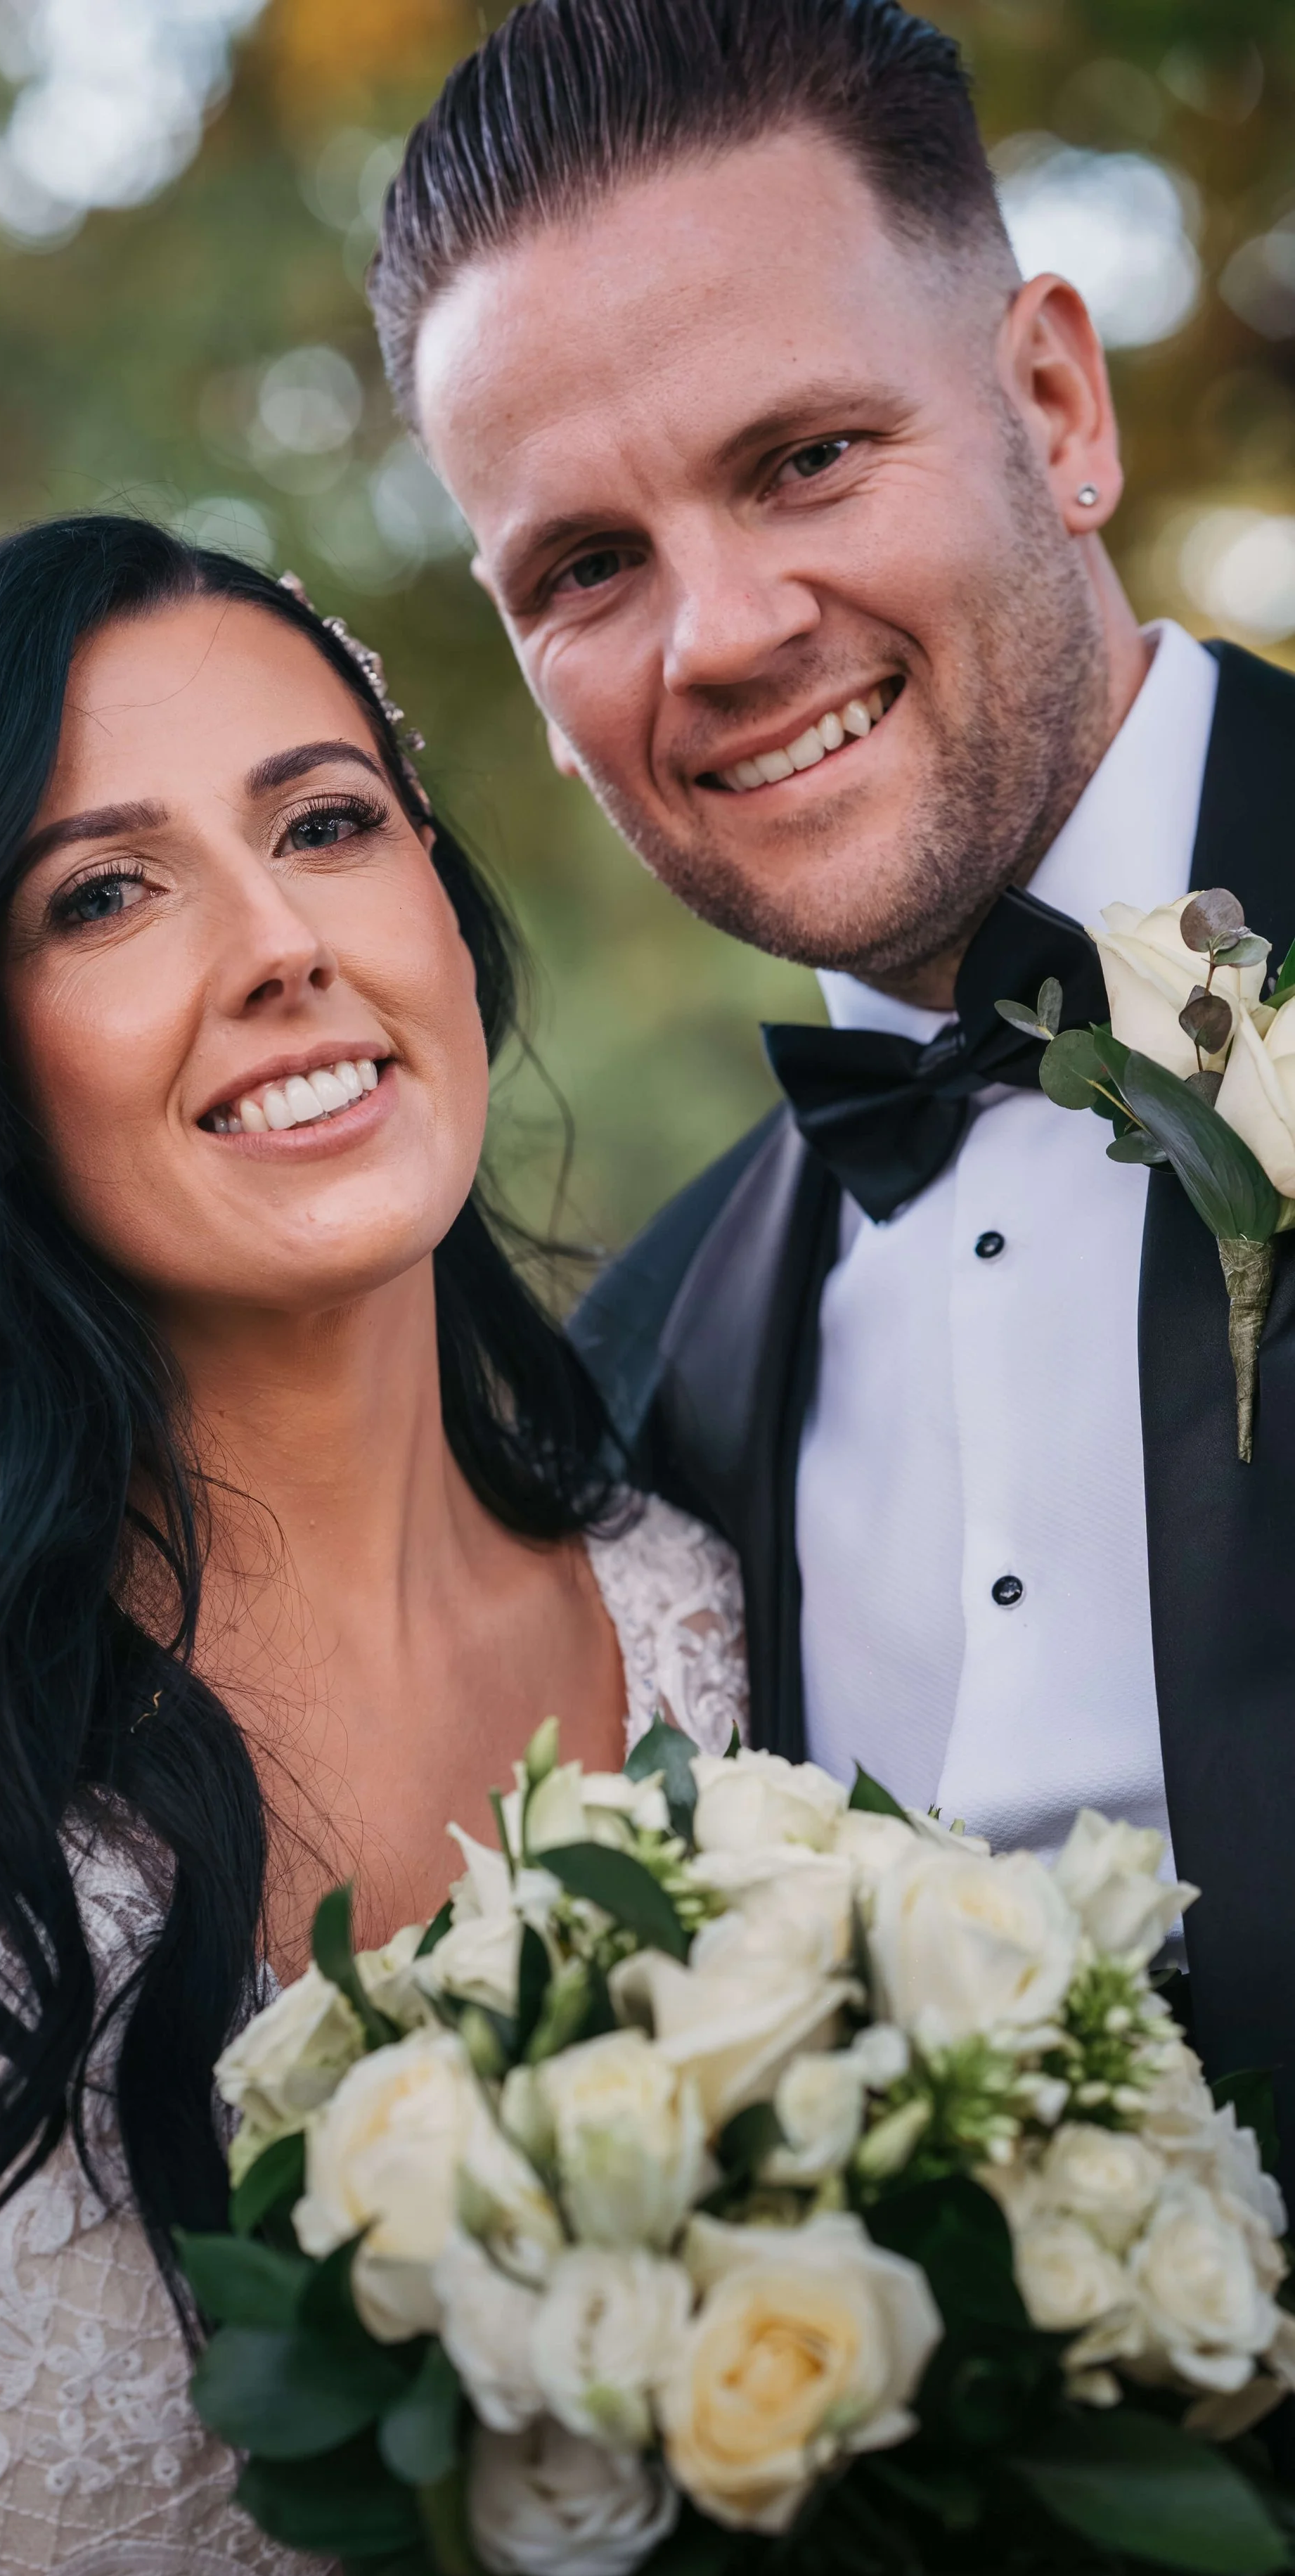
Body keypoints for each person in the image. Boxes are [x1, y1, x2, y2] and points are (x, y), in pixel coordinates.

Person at [0, 518, 745, 2576]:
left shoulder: (709, 1633)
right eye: (103, 892)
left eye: (328, 822)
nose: (280, 941)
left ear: (443, 909)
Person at [370, 0, 1295, 2174]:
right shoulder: (635, 1373)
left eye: (800, 460)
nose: (717, 632)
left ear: (1054, 407)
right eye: (582, 567)